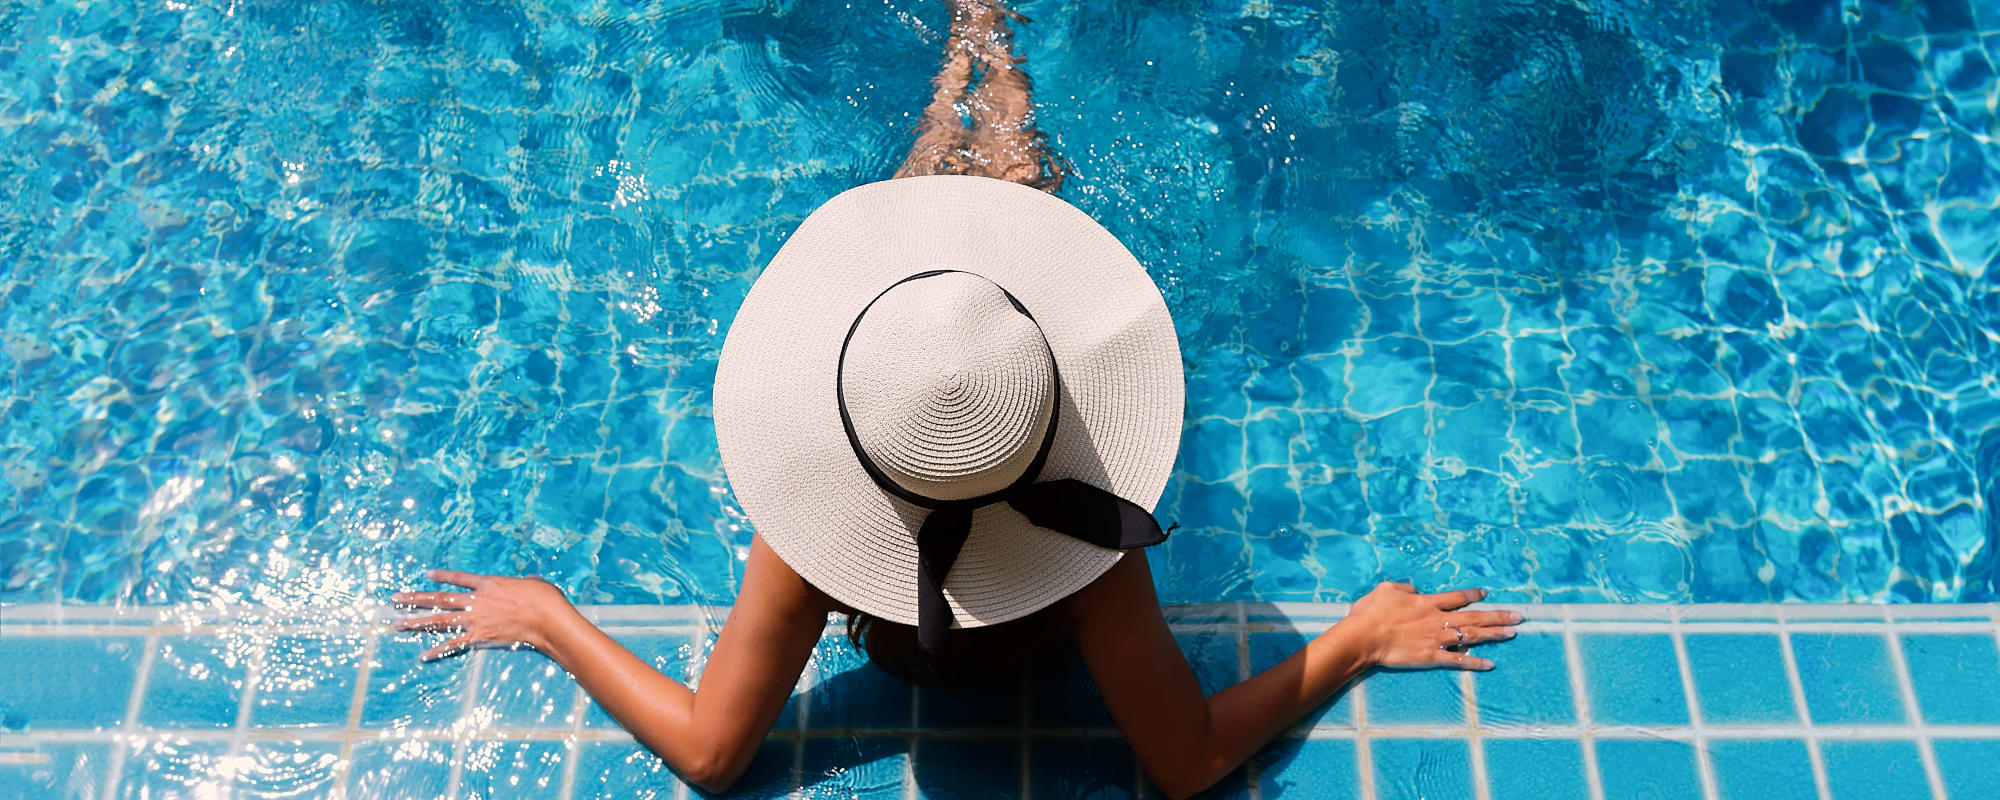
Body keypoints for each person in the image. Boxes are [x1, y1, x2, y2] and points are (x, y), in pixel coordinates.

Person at [390, 2, 1521, 797]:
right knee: (973, 284)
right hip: (1018, 454)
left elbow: (710, 751)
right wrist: (1359, 632)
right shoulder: (1090, 537)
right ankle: (987, 43)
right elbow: (1184, 763)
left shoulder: (801, 544)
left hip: (926, 449)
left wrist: (547, 614)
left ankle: (966, 51)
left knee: (922, 315)